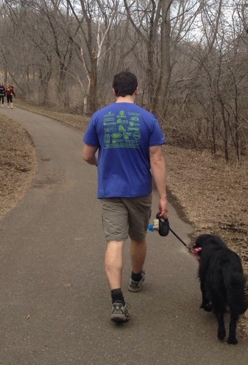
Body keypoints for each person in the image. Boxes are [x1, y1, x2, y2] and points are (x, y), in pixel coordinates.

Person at [82, 71, 168, 323]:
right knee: (138, 236)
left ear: (113, 90)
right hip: (139, 191)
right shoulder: (149, 119)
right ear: (137, 90)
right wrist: (163, 197)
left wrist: (101, 164)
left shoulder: (98, 117)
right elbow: (157, 160)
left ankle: (117, 300)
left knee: (114, 241)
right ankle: (135, 278)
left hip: (110, 190)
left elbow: (87, 155)